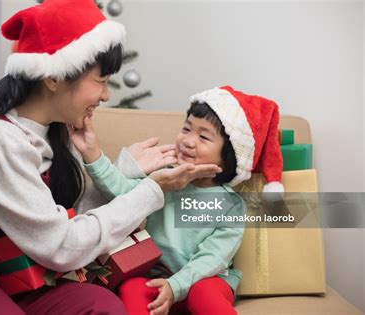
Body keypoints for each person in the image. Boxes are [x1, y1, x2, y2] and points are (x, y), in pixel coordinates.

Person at [0, 1, 220, 314]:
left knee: (101, 305)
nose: (106, 95)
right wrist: (151, 191)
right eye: (101, 80)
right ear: (54, 76)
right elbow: (61, 246)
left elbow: (64, 223)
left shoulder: (55, 133)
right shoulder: (0, 139)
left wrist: (125, 171)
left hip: (15, 274)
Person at [73, 86, 284, 315]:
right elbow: (123, 192)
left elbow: (212, 257)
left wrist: (176, 286)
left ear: (228, 157)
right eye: (186, 129)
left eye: (203, 137)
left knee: (204, 293)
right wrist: (93, 154)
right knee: (133, 288)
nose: (188, 141)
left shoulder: (230, 204)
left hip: (205, 278)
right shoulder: (166, 178)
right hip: (157, 277)